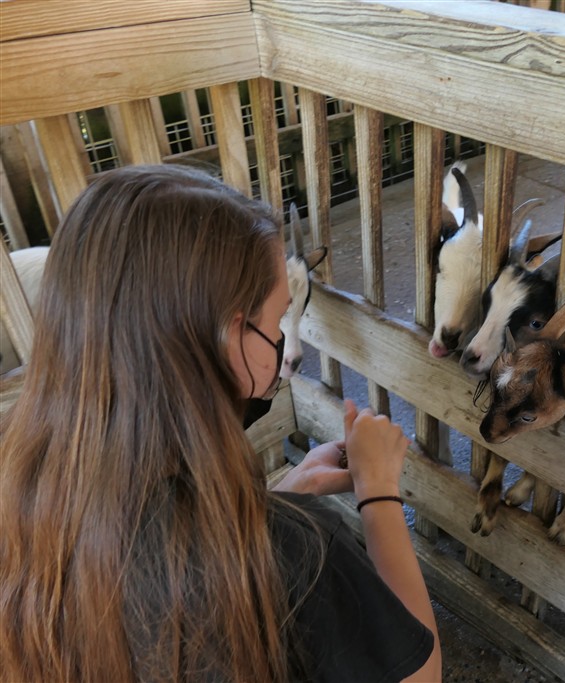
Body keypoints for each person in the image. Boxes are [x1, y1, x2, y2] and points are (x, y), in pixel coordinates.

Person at [0, 164, 442, 682]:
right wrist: (378, 492)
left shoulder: (21, 473)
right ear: (232, 337)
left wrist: (283, 496)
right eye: (277, 319)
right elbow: (420, 676)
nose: (283, 339)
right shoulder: (296, 553)